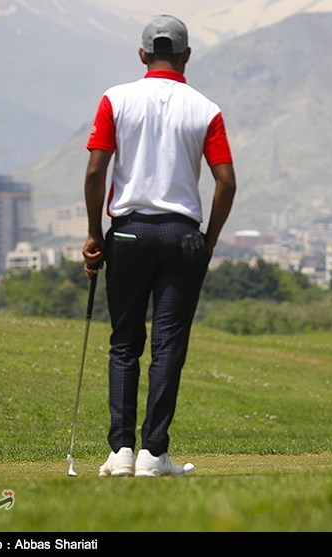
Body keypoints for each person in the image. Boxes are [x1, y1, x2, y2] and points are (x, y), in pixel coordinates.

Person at [81, 14, 237, 477]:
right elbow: (226, 182)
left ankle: (120, 453)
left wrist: (95, 233)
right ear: (187, 56)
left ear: (143, 54)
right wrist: (208, 241)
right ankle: (154, 455)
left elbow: (95, 173)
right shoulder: (206, 109)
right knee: (169, 345)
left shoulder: (116, 99)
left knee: (125, 342)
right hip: (181, 236)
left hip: (128, 232)